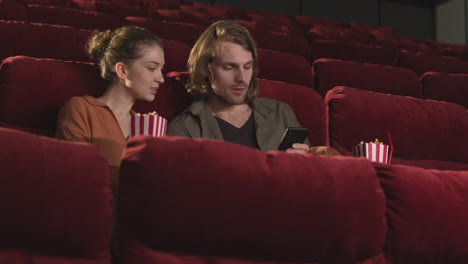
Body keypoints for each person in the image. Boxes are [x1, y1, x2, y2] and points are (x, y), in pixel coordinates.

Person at [167, 20, 339, 155]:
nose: (242, 78)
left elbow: (308, 182)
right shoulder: (184, 128)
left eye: (247, 67)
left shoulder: (281, 113)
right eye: (229, 67)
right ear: (205, 68)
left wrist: (298, 166)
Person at [56, 26, 165, 188]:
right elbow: (74, 174)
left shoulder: (145, 124)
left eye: (162, 69)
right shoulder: (82, 109)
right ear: (122, 70)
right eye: (152, 68)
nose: (161, 79)